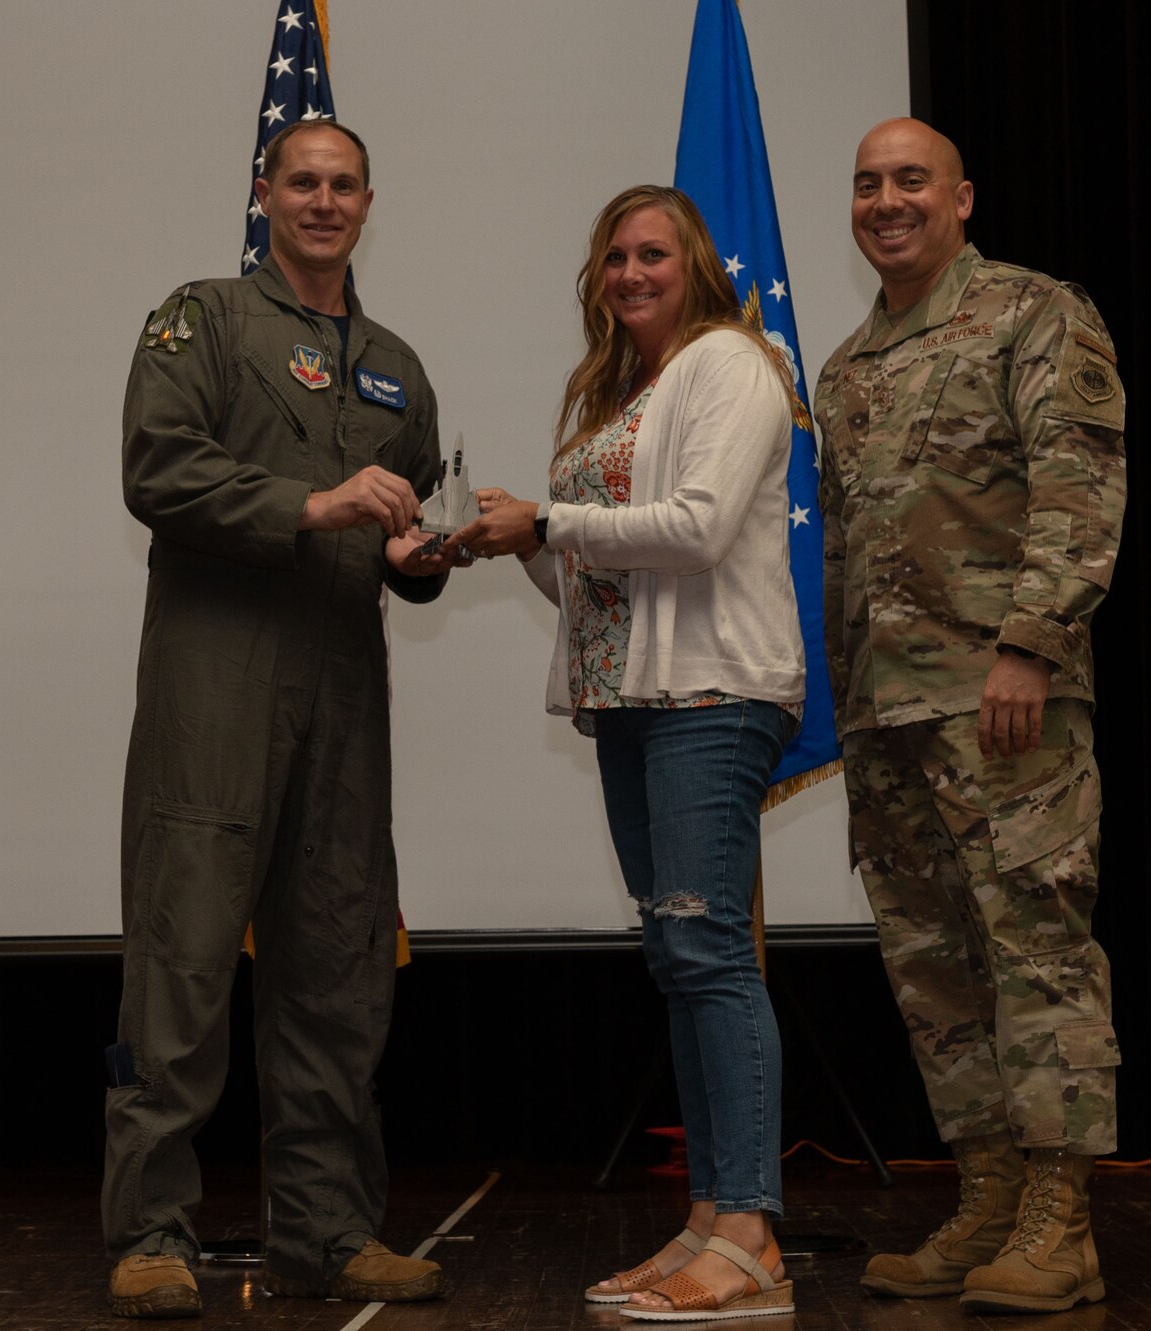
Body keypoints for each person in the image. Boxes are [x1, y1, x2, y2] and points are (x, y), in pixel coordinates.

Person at [101, 119, 464, 1319]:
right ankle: (153, 1228)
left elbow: (403, 545)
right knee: (183, 964)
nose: (321, 201)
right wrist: (311, 504)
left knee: (335, 970)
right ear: (264, 194)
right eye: (299, 182)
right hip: (216, 688)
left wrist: (422, 554)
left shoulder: (399, 367)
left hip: (344, 696)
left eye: (341, 184)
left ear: (368, 202)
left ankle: (325, 1227)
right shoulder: (199, 318)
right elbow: (156, 468)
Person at [449, 184, 805, 1323]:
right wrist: (512, 537)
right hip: (634, 701)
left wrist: (549, 519)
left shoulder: (731, 364)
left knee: (709, 959)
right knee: (676, 961)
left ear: (695, 264)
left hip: (713, 694)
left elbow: (696, 530)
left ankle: (750, 1233)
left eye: (653, 252)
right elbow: (595, 575)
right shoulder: (625, 393)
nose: (630, 272)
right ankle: (708, 1219)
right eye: (614, 257)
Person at [814, 118, 1128, 1316]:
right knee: (934, 967)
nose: (884, 200)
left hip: (1004, 700)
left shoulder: (1034, 311)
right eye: (866, 185)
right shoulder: (847, 367)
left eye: (908, 181)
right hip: (887, 709)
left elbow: (1078, 480)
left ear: (959, 198)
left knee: (1034, 944)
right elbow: (846, 548)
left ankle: (1062, 1222)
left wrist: (1029, 645)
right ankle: (989, 1196)